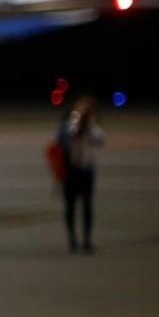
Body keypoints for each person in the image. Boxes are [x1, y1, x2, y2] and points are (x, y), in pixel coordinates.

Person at [58, 94, 105, 253]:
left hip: (87, 169)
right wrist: (78, 122)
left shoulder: (93, 125)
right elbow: (64, 139)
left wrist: (89, 124)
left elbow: (100, 140)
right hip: (72, 169)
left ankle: (86, 240)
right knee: (70, 205)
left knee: (87, 205)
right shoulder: (71, 121)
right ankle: (72, 239)